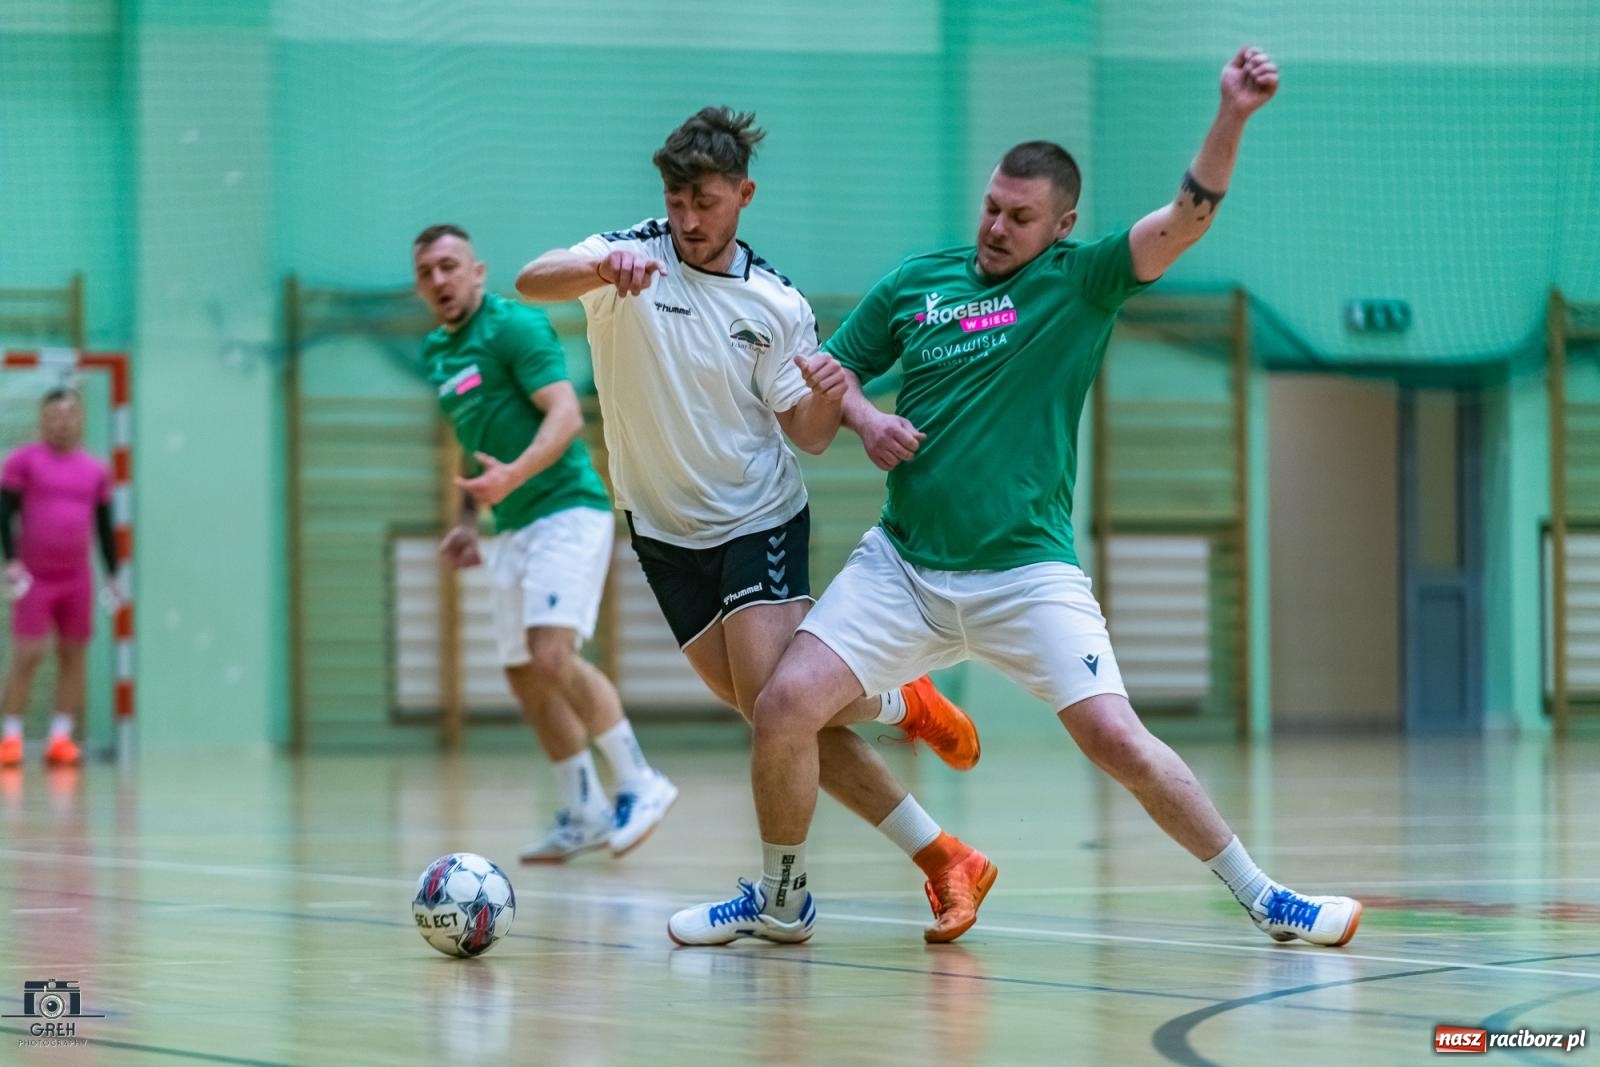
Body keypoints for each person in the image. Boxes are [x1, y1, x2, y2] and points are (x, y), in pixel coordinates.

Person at [675, 46, 1364, 949]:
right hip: (905, 565)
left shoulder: (1082, 281)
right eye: (991, 207)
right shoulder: (917, 283)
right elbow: (821, 402)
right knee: (781, 705)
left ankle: (1268, 896)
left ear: (1061, 223)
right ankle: (782, 893)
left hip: (1025, 572)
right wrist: (858, 413)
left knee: (1116, 738)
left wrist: (1231, 113)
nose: (996, 227)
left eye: (1019, 216)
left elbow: (1187, 218)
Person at [517, 107, 994, 945]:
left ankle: (788, 897)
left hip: (756, 518)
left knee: (781, 708)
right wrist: (597, 267)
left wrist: (827, 392)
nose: (687, 220)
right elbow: (532, 278)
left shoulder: (774, 303)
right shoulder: (629, 255)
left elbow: (807, 435)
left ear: (744, 194)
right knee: (780, 716)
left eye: (704, 201)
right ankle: (916, 762)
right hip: (662, 530)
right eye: (675, 200)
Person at [414, 223, 676, 862]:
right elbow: (475, 450)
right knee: (524, 675)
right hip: (513, 526)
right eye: (427, 273)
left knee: (551, 655)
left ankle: (640, 780)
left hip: (566, 511)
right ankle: (584, 809)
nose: (439, 280)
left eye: (450, 266)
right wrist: (468, 523)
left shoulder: (515, 327)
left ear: (477, 271)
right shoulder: (439, 353)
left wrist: (513, 477)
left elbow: (563, 413)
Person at [1, 388, 123, 767]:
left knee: (73, 655)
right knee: (28, 655)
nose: (62, 422)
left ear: (80, 420)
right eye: (54, 416)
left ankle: (60, 738)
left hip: (77, 578)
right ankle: (10, 739)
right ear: (42, 420)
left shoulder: (96, 470)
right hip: (34, 576)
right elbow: (5, 514)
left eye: (69, 415)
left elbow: (104, 526)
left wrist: (113, 574)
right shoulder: (23, 462)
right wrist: (10, 561)